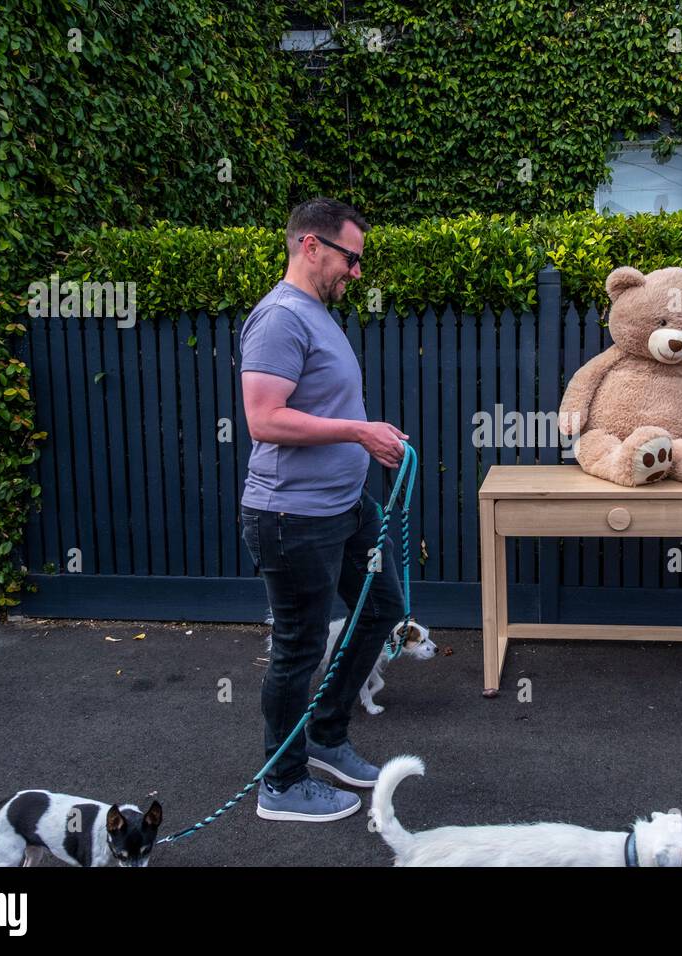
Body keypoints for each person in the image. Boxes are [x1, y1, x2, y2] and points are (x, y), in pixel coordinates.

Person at [239, 197, 409, 821]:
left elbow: (314, 404)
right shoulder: (280, 318)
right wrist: (359, 433)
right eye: (351, 257)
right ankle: (280, 784)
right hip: (291, 517)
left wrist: (368, 437)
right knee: (298, 648)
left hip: (343, 506)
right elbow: (264, 419)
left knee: (385, 606)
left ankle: (327, 735)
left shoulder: (315, 314)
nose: (356, 272)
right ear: (311, 246)